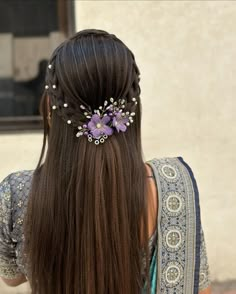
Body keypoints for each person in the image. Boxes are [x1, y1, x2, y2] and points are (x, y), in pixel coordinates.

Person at [0, 29, 211, 294]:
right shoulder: (173, 188)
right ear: (133, 111)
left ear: (49, 108)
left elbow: (11, 277)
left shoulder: (16, 194)